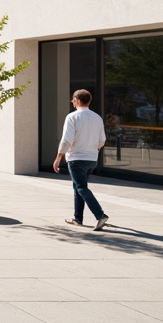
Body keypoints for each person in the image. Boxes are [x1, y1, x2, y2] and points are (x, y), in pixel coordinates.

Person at [53, 89, 110, 230]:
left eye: (73, 99)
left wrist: (58, 157)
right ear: (89, 101)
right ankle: (78, 218)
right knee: (78, 186)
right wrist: (94, 150)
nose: (72, 102)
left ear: (76, 100)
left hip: (76, 158)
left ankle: (100, 215)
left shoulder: (72, 117)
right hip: (92, 159)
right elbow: (102, 139)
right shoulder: (97, 117)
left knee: (81, 187)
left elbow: (67, 140)